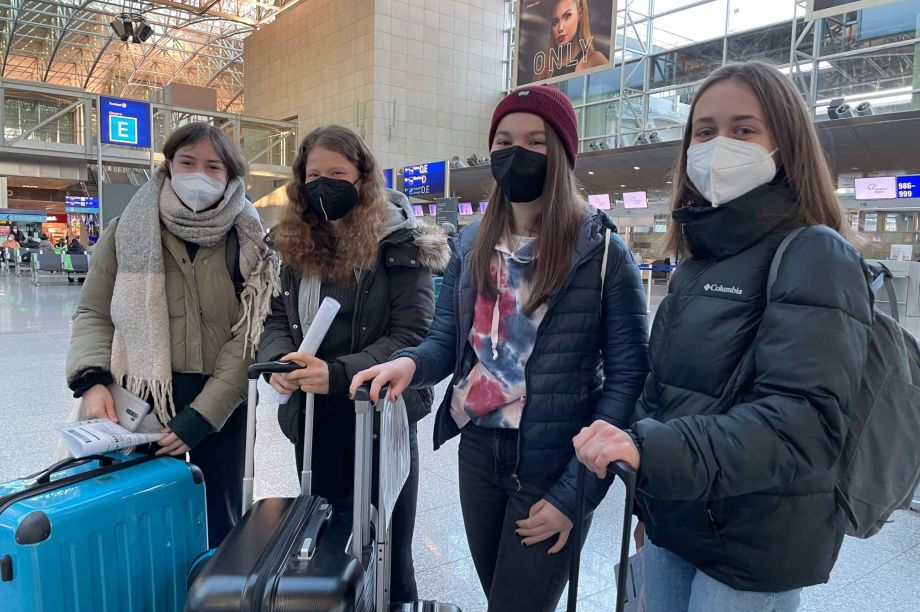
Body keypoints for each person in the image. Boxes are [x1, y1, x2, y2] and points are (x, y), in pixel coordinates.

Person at [572, 61, 872, 612]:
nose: (718, 146)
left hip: (752, 546)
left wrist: (650, 451)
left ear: (786, 144)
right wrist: (648, 500)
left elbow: (802, 425)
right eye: (704, 131)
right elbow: (663, 393)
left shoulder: (814, 253)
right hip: (677, 519)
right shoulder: (697, 263)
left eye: (744, 129)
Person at [351, 85, 649, 611]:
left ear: (562, 155)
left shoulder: (602, 252)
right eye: (505, 141)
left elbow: (628, 380)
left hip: (553, 461)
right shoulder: (472, 243)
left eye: (536, 141)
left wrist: (574, 496)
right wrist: (409, 364)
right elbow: (447, 341)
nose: (518, 153)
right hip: (478, 454)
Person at [258, 125, 448, 602]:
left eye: (337, 174)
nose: (324, 185)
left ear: (363, 178)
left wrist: (338, 373)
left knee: (389, 551)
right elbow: (275, 317)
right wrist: (279, 361)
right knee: (325, 544)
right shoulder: (294, 244)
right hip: (314, 420)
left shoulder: (399, 243)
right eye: (313, 175)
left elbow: (413, 335)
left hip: (381, 417)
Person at [66, 122, 279, 547]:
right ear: (168, 167)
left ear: (230, 175)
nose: (199, 174)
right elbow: (94, 311)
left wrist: (203, 415)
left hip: (221, 406)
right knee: (139, 522)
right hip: (138, 401)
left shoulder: (248, 240)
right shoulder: (126, 231)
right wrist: (92, 381)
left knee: (220, 520)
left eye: (213, 167)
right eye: (187, 162)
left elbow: (251, 334)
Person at [535, 0, 609, 80]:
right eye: (555, 22)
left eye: (567, 16)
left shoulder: (595, 60)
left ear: (580, 14)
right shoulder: (544, 70)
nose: (560, 28)